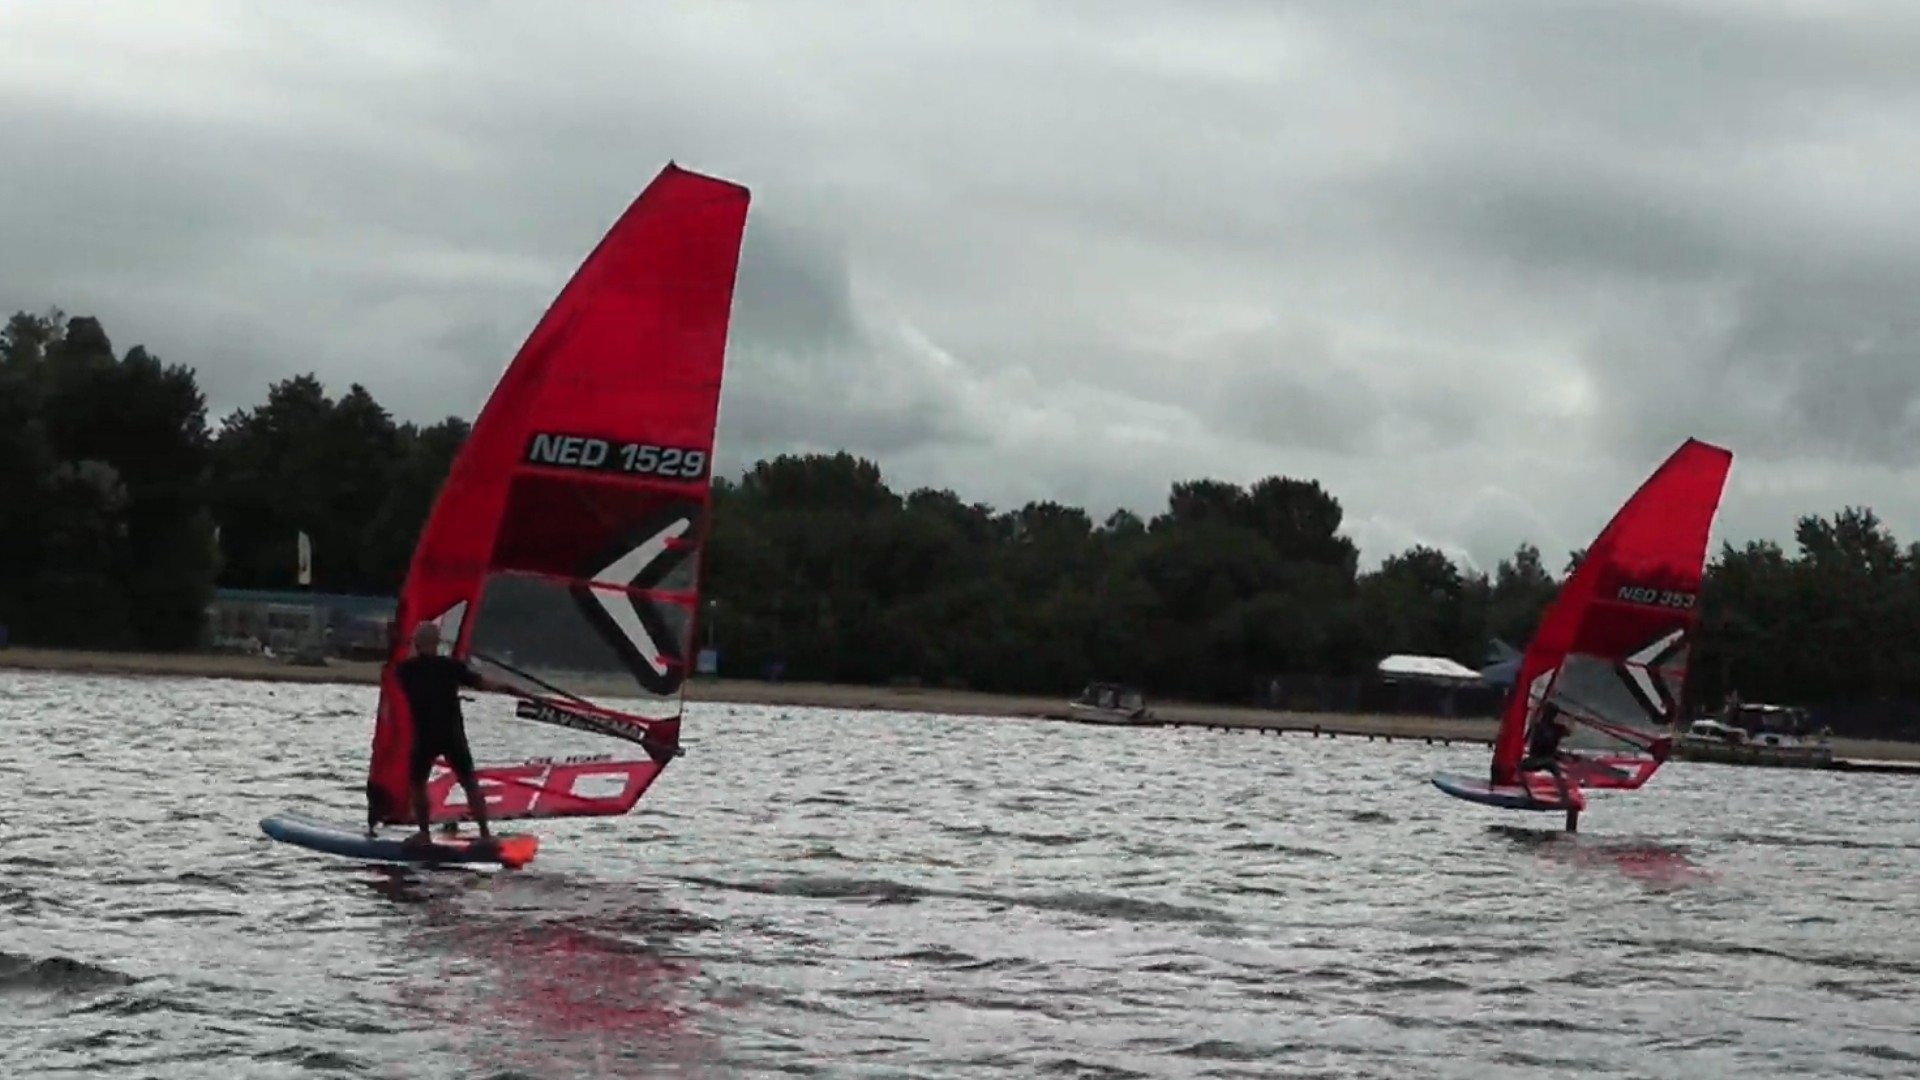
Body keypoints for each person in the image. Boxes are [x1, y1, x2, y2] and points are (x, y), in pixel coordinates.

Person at [390, 622, 512, 847]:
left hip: (425, 734)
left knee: (417, 783)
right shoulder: (451, 667)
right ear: (437, 643)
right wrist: (505, 687)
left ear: (416, 644)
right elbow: (481, 683)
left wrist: (410, 641)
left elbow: (406, 661)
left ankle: (424, 833)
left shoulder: (404, 670)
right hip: (451, 733)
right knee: (469, 782)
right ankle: (485, 834)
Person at [1519, 704, 1574, 808]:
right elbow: (1570, 731)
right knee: (1557, 774)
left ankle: (1528, 793)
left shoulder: (1538, 726)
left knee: (1518, 767)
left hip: (1539, 759)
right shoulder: (1557, 728)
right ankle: (1564, 796)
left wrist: (1534, 711)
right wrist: (1571, 719)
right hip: (1547, 760)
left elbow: (1532, 719)